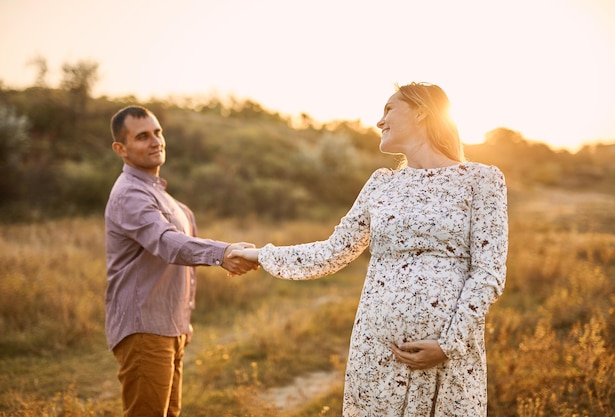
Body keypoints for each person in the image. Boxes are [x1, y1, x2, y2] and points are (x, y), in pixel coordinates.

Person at [230, 82, 508, 416]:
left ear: (421, 112)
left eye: (389, 109)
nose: (379, 121)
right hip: (376, 353)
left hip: (446, 357)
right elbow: (334, 251)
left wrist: (449, 345)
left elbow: (488, 272)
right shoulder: (381, 184)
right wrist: (261, 254)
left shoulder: (482, 180)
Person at [104, 105, 258, 417]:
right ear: (121, 149)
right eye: (142, 136)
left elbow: (183, 270)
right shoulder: (129, 195)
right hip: (143, 328)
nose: (155, 141)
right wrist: (222, 253)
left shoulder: (171, 201)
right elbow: (166, 243)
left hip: (168, 328)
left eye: (157, 132)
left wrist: (183, 322)